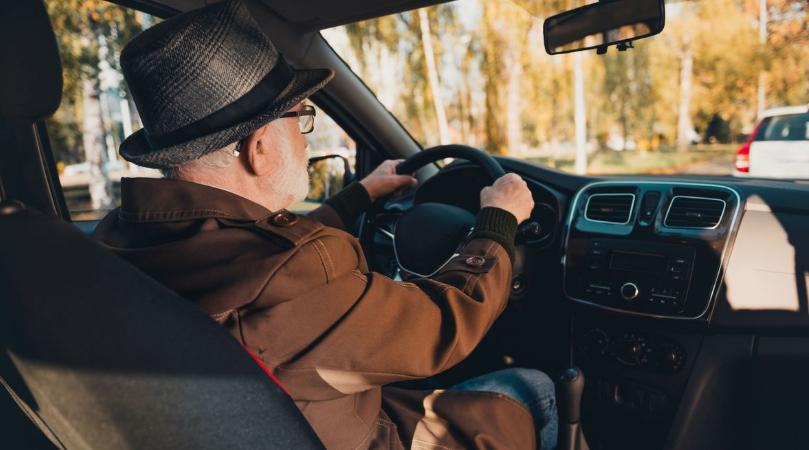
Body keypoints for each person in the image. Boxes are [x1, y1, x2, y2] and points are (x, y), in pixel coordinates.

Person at [94, 1, 557, 449]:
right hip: (369, 437)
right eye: (302, 119)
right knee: (534, 388)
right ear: (260, 149)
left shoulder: (121, 242)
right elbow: (445, 324)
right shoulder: (299, 272)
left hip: (296, 423)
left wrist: (360, 195)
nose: (306, 143)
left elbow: (265, 262)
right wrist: (499, 219)